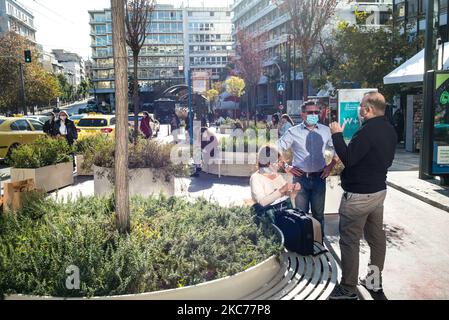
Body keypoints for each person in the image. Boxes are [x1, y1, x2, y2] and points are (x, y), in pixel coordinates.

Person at [328, 92, 397, 300]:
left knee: (350, 241)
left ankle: (348, 288)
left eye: (361, 106)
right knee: (376, 239)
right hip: (378, 193)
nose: (359, 109)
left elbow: (349, 158)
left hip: (358, 197)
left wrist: (337, 135)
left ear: (368, 109)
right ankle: (374, 282)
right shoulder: (390, 130)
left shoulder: (366, 132)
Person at [278, 100, 338, 235]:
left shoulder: (326, 131)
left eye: (316, 112)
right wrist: (286, 167)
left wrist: (330, 166)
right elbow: (276, 149)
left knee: (319, 216)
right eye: (310, 112)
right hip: (300, 180)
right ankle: (302, 246)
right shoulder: (293, 132)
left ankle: (318, 245)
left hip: (319, 178)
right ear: (303, 114)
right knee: (300, 215)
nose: (314, 114)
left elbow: (338, 148)